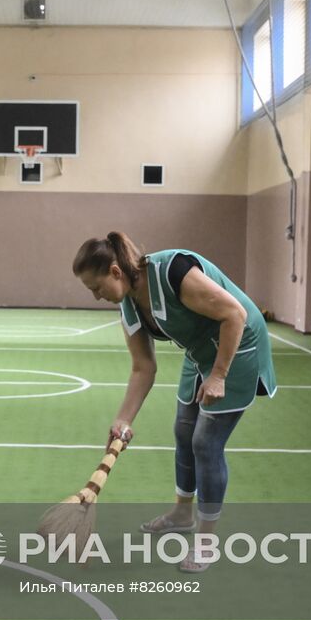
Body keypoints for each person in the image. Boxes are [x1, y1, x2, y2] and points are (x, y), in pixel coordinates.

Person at [72, 232, 277, 572]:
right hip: (200, 353)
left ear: (115, 271)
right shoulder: (129, 306)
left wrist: (220, 375)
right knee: (183, 430)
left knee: (205, 443)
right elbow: (143, 367)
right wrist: (123, 420)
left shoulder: (174, 272)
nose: (96, 296)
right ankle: (182, 513)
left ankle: (207, 543)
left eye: (97, 287)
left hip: (238, 348)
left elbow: (234, 315)